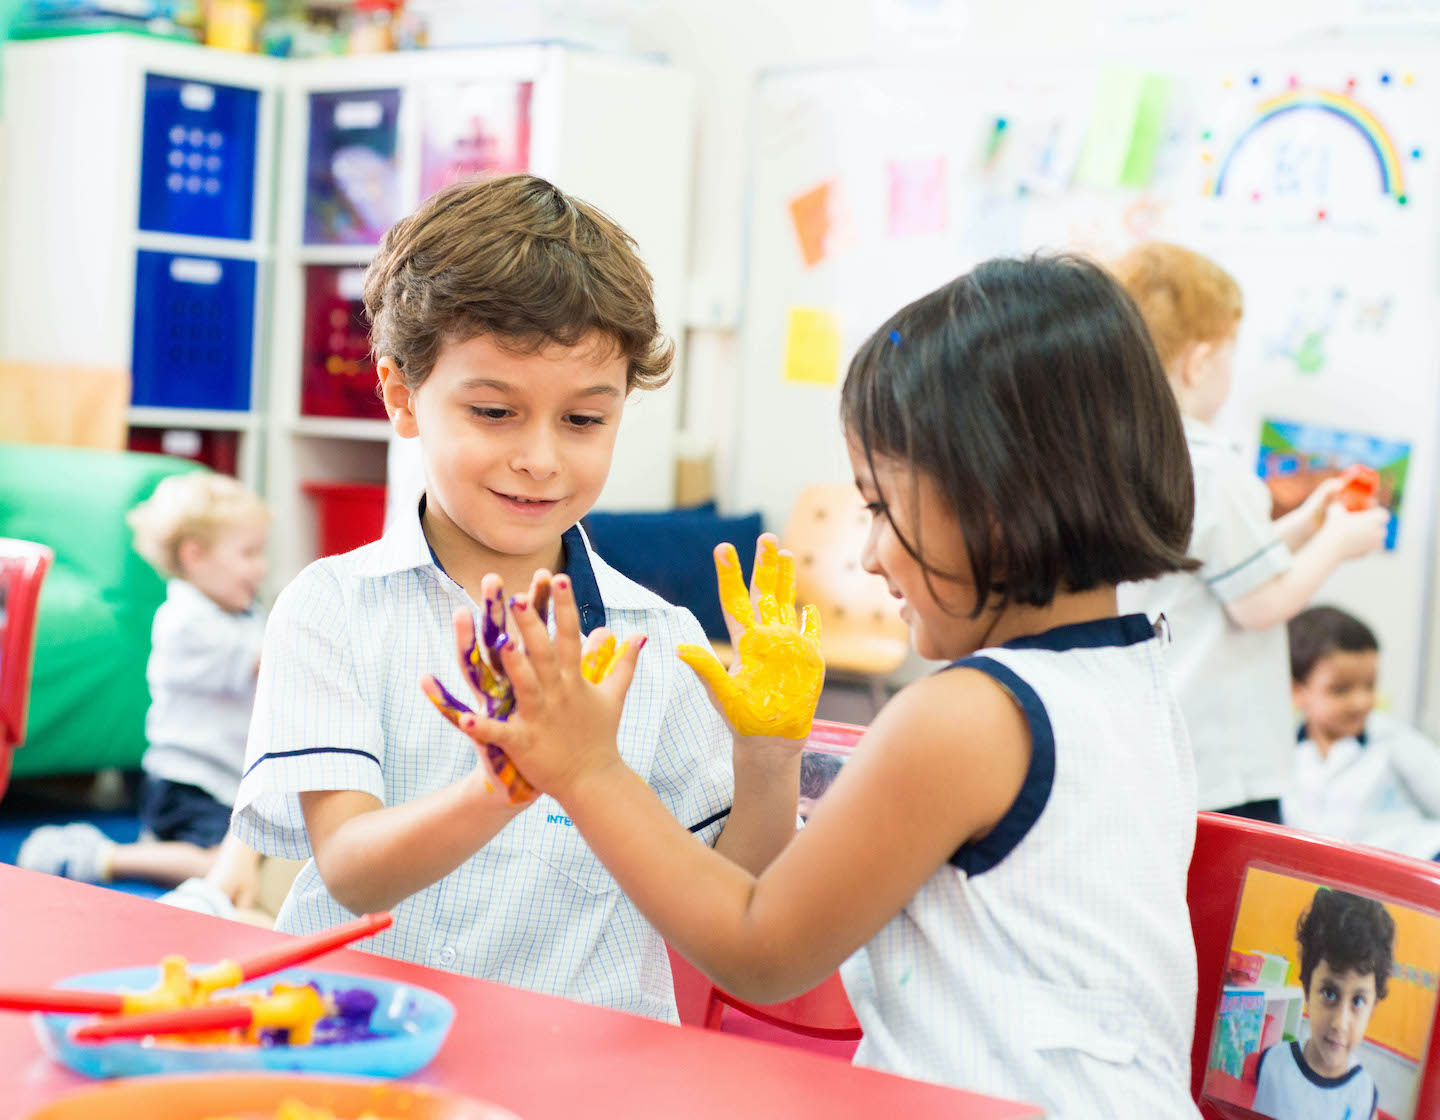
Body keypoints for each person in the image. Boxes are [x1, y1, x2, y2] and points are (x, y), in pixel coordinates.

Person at [450, 256, 1206, 1113]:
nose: (870, 555)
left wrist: (587, 770)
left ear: (996, 500)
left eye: (882, 508)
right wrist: (768, 758)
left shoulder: (966, 719)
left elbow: (758, 948)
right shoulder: (1139, 680)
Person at [231, 173, 802, 1022]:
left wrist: (770, 758)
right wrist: (508, 782)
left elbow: (733, 899)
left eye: (583, 422)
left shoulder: (658, 637)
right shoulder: (334, 610)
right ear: (401, 395)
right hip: (364, 1048)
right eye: (495, 412)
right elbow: (350, 868)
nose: (541, 458)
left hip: (588, 1070)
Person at [1113, 242, 1388, 821]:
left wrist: (1307, 523)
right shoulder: (1212, 465)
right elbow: (1260, 603)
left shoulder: (1137, 454)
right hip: (1221, 761)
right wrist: (1338, 542)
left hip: (1156, 740)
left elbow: (1219, 566)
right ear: (1200, 360)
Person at [18, 471, 266, 903]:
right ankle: (104, 857)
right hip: (191, 783)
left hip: (223, 781)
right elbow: (269, 664)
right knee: (223, 868)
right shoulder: (188, 620)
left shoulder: (240, 612)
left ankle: (161, 846)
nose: (260, 567)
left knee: (259, 855)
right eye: (249, 553)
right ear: (195, 556)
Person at [1282, 606, 1440, 859]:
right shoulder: (1283, 755)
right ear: (1296, 691)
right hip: (1334, 882)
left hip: (1414, 867)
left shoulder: (1395, 742)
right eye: (1340, 690)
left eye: (1370, 685)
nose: (1361, 701)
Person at [1252, 887, 1391, 1120]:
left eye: (1358, 1000)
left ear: (1372, 1009)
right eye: (1329, 993)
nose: (1340, 1022)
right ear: (1307, 990)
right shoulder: (1271, 1064)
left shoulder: (1363, 1096)